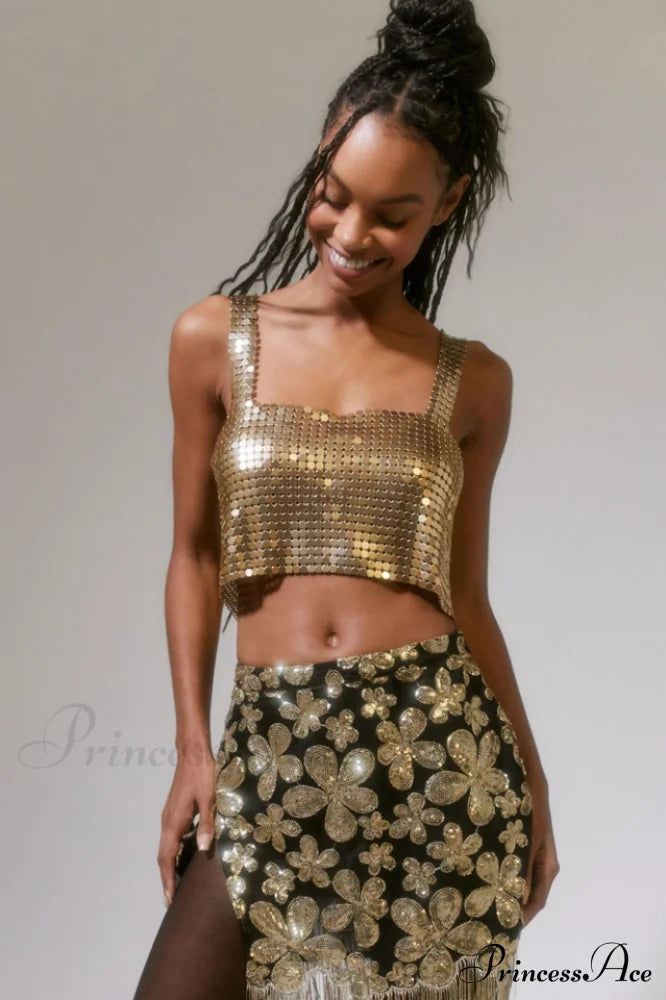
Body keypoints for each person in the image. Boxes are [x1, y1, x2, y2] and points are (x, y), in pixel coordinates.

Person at [132, 1, 559, 998]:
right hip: (270, 747)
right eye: (332, 194)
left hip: (442, 765)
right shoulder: (213, 338)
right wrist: (194, 748)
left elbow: (467, 598)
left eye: (392, 215)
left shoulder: (473, 381)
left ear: (448, 202)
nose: (350, 233)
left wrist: (533, 783)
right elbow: (195, 556)